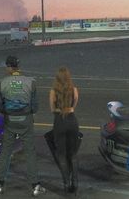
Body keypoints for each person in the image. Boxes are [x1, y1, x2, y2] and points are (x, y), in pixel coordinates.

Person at [0, 55, 46, 197]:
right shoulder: (31, 82)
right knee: (30, 152)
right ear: (18, 66)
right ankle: (35, 185)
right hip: (26, 119)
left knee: (6, 151)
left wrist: (7, 112)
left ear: (8, 67)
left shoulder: (1, 82)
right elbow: (35, 106)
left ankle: (0, 183)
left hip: (10, 120)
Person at [49, 67, 79, 195]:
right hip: (72, 121)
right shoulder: (74, 89)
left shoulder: (53, 91)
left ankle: (66, 183)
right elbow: (74, 105)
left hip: (59, 121)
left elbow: (52, 109)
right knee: (72, 154)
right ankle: (75, 182)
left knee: (61, 155)